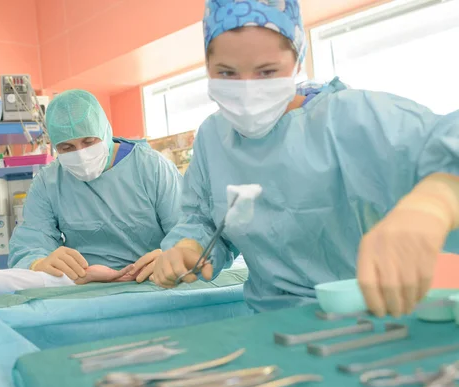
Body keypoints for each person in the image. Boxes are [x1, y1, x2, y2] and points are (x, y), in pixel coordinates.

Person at [153, 0, 459, 317]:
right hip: (270, 324)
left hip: (369, 316)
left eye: (267, 72)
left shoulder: (349, 117)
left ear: (298, 59)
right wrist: (189, 249)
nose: (246, 89)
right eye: (226, 73)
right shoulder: (213, 137)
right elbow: (203, 220)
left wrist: (435, 201)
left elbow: (446, 140)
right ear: (207, 68)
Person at [9, 89, 182, 285]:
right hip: (87, 292)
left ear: (105, 131)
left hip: (156, 283)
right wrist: (38, 263)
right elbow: (29, 243)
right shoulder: (48, 183)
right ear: (55, 147)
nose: (81, 154)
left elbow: (190, 232)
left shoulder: (152, 168)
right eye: (67, 148)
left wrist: (175, 257)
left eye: (89, 142)